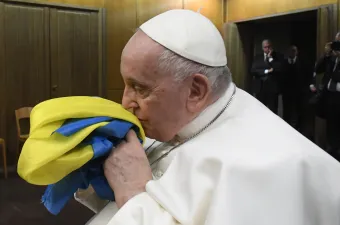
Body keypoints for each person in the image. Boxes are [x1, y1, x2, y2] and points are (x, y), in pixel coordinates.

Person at [76, 9, 340, 225]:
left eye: (140, 88)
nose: (125, 103)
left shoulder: (269, 169)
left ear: (195, 91)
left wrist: (133, 194)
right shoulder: (187, 120)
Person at [281, 45, 314, 140]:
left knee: (299, 112)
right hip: (287, 93)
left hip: (300, 93)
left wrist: (308, 86)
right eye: (290, 51)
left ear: (296, 52)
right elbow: (282, 78)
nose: (292, 53)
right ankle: (286, 132)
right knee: (287, 112)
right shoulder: (284, 63)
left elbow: (308, 75)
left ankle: (299, 132)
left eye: (293, 51)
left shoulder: (303, 63)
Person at [314, 41, 340, 159]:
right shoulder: (331, 59)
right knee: (331, 122)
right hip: (330, 95)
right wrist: (325, 55)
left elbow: (336, 76)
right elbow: (318, 69)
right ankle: (332, 148)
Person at [251, 40, 284, 114]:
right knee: (260, 111)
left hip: (272, 90)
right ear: (262, 48)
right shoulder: (257, 57)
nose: (268, 49)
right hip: (260, 89)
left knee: (273, 111)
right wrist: (267, 71)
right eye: (265, 47)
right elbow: (253, 70)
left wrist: (270, 58)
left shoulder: (277, 57)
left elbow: (278, 68)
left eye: (269, 47)